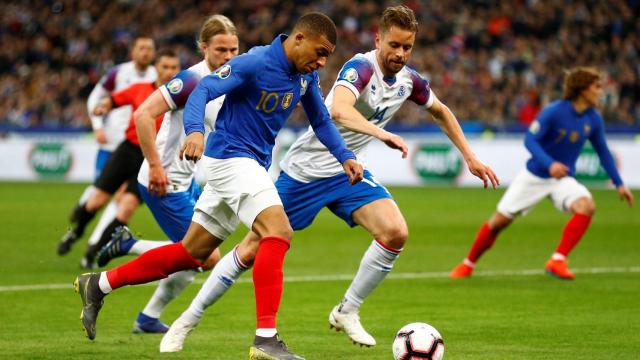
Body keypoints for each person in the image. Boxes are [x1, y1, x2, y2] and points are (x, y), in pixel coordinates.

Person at [158, 5, 499, 353]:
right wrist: (379, 135)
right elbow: (338, 111)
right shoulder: (360, 68)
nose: (399, 53)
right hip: (304, 173)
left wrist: (470, 157)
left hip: (347, 172)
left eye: (407, 47)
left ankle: (347, 310)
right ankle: (189, 318)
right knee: (251, 248)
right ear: (379, 39)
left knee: (395, 232)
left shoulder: (409, 81)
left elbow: (440, 110)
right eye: (394, 45)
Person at [74, 13, 363, 360]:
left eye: (326, 56)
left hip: (248, 164)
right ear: (298, 38)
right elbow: (206, 89)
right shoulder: (256, 61)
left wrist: (345, 155)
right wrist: (195, 131)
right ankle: (266, 338)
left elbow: (320, 120)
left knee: (191, 253)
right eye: (319, 52)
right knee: (278, 231)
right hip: (229, 159)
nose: (321, 61)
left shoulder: (305, 76)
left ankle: (100, 284)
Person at [95, 14, 240, 334]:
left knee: (194, 258)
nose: (228, 56)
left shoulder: (231, 78)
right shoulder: (190, 80)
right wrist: (157, 165)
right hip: (165, 182)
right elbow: (143, 114)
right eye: (221, 50)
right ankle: (128, 244)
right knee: (206, 254)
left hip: (187, 180)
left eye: (233, 49)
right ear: (204, 47)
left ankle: (147, 317)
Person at [450, 67, 634, 280]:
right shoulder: (555, 111)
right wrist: (550, 164)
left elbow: (602, 150)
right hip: (535, 176)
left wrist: (619, 183)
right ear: (582, 89)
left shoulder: (593, 118)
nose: (601, 91)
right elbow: (530, 139)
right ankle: (467, 264)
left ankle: (557, 260)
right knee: (498, 223)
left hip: (562, 179)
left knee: (586, 205)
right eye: (597, 87)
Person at [58, 49, 180, 269]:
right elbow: (113, 100)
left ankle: (92, 253)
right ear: (157, 69)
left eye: (174, 68)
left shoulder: (184, 97)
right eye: (165, 67)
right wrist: (104, 106)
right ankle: (76, 232)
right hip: (128, 151)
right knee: (96, 201)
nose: (170, 72)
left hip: (152, 160)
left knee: (126, 208)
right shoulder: (141, 89)